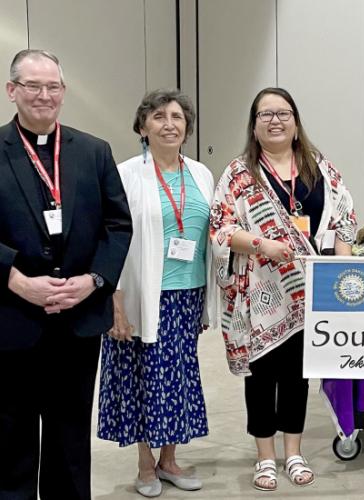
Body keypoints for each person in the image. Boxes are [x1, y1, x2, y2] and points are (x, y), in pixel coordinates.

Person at [210, 87, 356, 491]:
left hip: (311, 293)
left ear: (295, 123)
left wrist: (341, 267)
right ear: (254, 127)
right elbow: (220, 227)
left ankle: (293, 452)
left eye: (283, 113)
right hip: (259, 293)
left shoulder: (320, 169)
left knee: (297, 376)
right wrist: (261, 244)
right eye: (265, 114)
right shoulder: (239, 174)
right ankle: (265, 457)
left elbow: (345, 219)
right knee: (261, 377)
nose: (275, 120)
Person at [0, 49, 132, 499]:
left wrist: (93, 280)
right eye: (32, 86)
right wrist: (16, 280)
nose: (44, 95)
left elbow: (118, 225)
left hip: (77, 323)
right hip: (12, 319)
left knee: (70, 438)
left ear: (64, 92)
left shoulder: (93, 151)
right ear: (11, 90)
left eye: (52, 86)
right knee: (10, 439)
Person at [97, 89, 216, 498]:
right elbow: (107, 239)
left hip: (188, 295)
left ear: (188, 127)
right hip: (142, 296)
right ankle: (145, 465)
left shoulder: (201, 174)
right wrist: (114, 301)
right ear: (143, 127)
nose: (170, 124)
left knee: (178, 379)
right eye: (160, 117)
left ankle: (169, 460)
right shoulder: (127, 173)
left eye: (178, 117)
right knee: (145, 380)